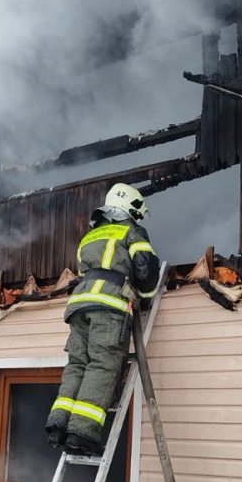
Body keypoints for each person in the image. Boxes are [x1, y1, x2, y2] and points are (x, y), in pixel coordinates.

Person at [46, 182, 160, 456]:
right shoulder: (132, 231)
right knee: (103, 364)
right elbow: (145, 268)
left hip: (79, 306)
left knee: (78, 364)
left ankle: (59, 425)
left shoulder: (89, 237)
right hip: (108, 306)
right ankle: (83, 434)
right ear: (131, 207)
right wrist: (144, 297)